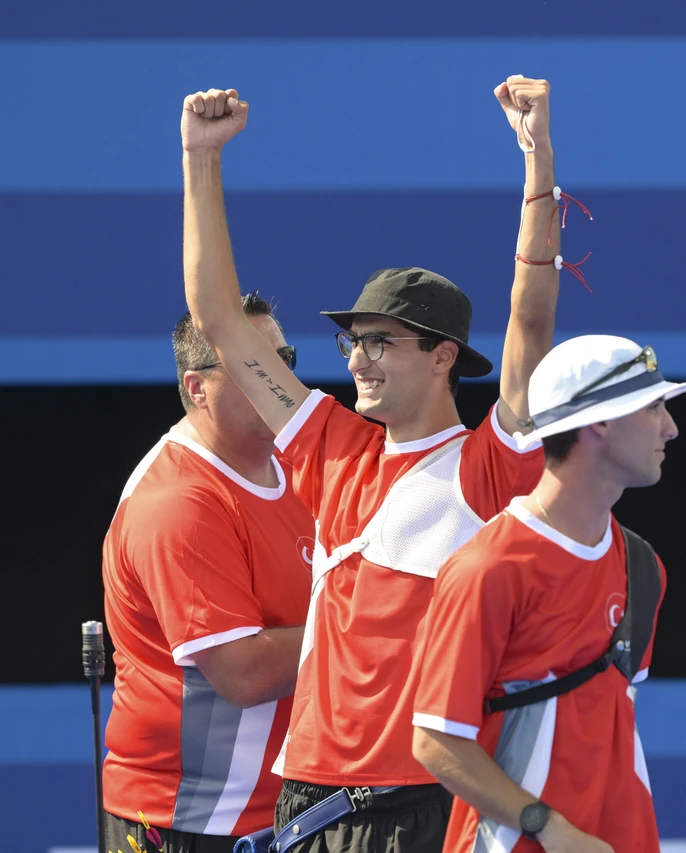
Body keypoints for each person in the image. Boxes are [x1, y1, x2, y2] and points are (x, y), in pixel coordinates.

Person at [181, 76, 569, 851]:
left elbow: (530, 318)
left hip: (424, 803)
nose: (358, 360)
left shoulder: (490, 464)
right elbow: (218, 318)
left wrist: (538, 163)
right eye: (353, 342)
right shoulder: (331, 444)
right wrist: (200, 159)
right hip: (306, 803)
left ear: (443, 357)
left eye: (381, 342)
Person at [411, 335, 686, 853]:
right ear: (600, 422)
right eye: (653, 407)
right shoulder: (488, 567)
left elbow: (610, 729)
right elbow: (436, 740)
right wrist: (547, 826)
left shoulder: (643, 566)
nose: (670, 428)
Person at [101, 295, 313, 853]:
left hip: (289, 813)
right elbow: (242, 675)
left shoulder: (301, 462)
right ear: (197, 389)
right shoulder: (179, 502)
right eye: (253, 365)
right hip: (188, 827)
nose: (281, 379)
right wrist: (376, 623)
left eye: (284, 358)